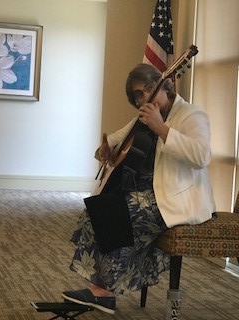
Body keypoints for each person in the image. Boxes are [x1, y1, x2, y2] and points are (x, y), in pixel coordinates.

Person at [62, 63, 216, 314]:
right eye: (139, 94)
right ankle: (99, 288)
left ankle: (105, 292)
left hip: (178, 195)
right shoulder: (142, 118)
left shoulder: (192, 115)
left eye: (149, 90)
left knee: (123, 214)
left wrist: (161, 128)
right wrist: (104, 150)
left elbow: (201, 156)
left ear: (165, 86)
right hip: (145, 191)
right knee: (99, 209)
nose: (146, 97)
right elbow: (114, 139)